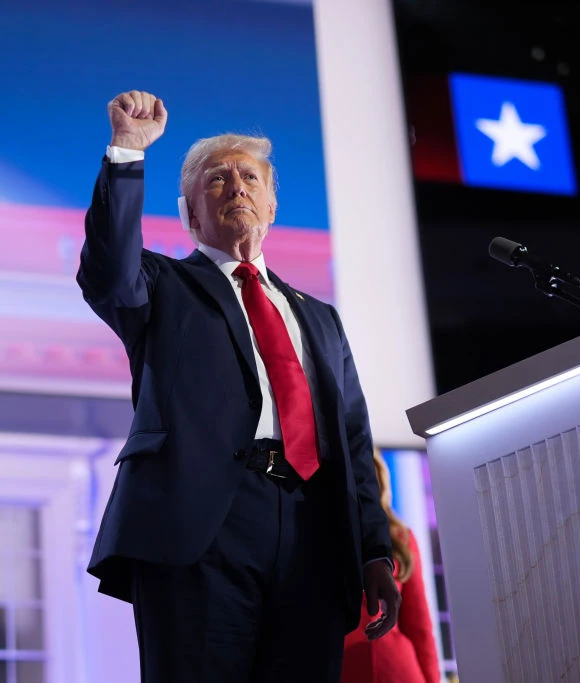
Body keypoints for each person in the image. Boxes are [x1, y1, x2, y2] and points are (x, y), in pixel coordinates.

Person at [78, 90, 400, 683]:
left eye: (249, 176)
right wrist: (126, 150)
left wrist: (374, 550)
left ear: (272, 204)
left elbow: (354, 444)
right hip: (199, 528)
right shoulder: (162, 285)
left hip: (313, 532)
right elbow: (109, 271)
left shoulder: (320, 317)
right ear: (191, 214)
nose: (236, 186)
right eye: (217, 179)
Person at [342, 451, 440, 683]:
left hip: (397, 670)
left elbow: (419, 627)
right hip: (341, 668)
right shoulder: (316, 535)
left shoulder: (400, 537)